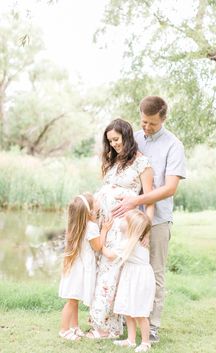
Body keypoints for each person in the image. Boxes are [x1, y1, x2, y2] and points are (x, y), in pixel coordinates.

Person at [112, 96, 186, 343]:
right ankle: (128, 321)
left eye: (152, 124)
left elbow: (170, 188)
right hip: (127, 220)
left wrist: (137, 201)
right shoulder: (133, 137)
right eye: (143, 122)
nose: (146, 128)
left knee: (154, 273)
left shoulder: (173, 145)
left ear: (163, 119)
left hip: (158, 220)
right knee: (126, 268)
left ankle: (152, 326)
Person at [87, 118, 154, 339]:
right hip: (105, 225)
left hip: (122, 227)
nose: (114, 144)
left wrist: (146, 230)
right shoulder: (115, 162)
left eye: (116, 139)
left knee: (111, 274)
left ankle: (106, 329)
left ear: (126, 135)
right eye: (110, 141)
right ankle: (106, 325)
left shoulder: (142, 163)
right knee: (102, 273)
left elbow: (149, 200)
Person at [58, 193, 113, 340]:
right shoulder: (91, 227)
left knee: (74, 299)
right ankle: (64, 330)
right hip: (80, 269)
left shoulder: (77, 224)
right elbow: (97, 247)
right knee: (71, 301)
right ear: (89, 211)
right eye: (95, 201)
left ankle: (74, 327)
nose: (98, 200)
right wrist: (105, 230)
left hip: (75, 267)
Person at [102, 209, 155, 352]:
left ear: (131, 227)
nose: (121, 221)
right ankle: (130, 340)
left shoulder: (128, 243)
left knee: (140, 312)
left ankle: (145, 342)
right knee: (127, 308)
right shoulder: (131, 239)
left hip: (139, 279)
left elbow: (109, 255)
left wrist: (101, 236)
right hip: (132, 275)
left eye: (125, 220)